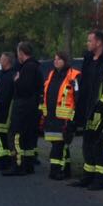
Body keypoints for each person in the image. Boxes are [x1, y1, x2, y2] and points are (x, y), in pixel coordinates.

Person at [72, 30, 103, 190]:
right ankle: (88, 175)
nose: (87, 43)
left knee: (100, 144)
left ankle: (101, 179)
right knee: (87, 143)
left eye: (90, 40)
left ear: (99, 42)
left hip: (101, 111)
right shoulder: (88, 60)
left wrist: (102, 105)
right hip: (87, 108)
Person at [42, 51, 80, 180]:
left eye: (59, 59)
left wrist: (74, 118)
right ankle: (63, 169)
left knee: (61, 145)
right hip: (52, 116)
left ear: (65, 61)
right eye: (55, 59)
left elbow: (77, 97)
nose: (56, 61)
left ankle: (58, 170)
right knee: (56, 144)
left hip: (65, 118)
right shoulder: (52, 74)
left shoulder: (73, 76)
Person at [6, 42, 42, 177]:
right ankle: (28, 164)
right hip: (31, 107)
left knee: (16, 136)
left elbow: (24, 88)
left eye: (18, 53)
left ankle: (18, 164)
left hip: (23, 108)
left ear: (21, 53)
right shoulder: (35, 67)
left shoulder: (27, 68)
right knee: (28, 137)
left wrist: (16, 81)